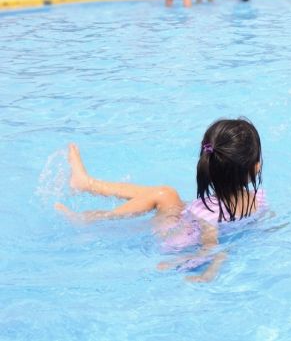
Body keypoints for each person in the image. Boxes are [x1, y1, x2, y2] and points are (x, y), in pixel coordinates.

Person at [55, 118, 266, 282]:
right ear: (255, 168)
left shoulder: (205, 213)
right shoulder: (258, 200)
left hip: (175, 240)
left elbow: (210, 246)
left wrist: (203, 271)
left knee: (163, 194)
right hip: (190, 224)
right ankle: (86, 184)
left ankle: (92, 217)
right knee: (165, 194)